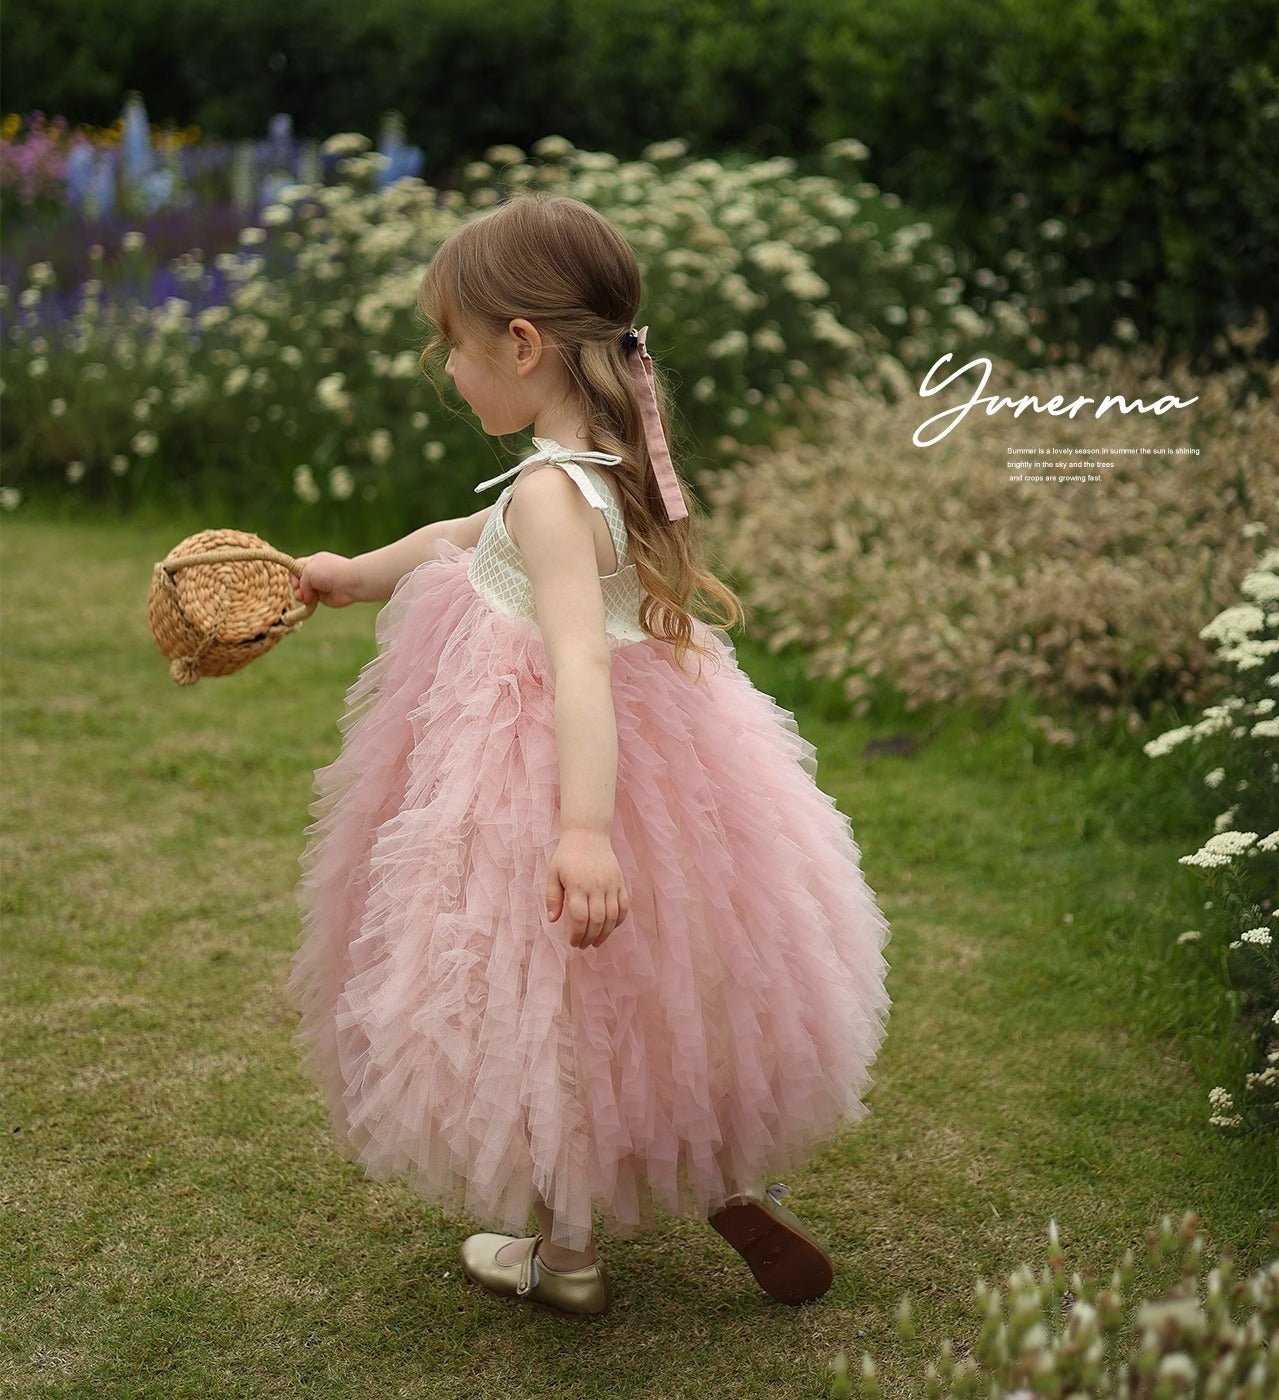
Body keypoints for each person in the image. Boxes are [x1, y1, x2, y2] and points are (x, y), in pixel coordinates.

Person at [285, 190, 892, 1318]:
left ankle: (562, 1257)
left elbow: (577, 664)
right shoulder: (599, 462)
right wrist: (345, 571)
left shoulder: (553, 493)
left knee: (537, 989)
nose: (445, 368)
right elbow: (452, 540)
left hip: (546, 767)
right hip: (666, 763)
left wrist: (577, 829)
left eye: (451, 347)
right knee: (645, 979)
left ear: (519, 344)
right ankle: (701, 1164)